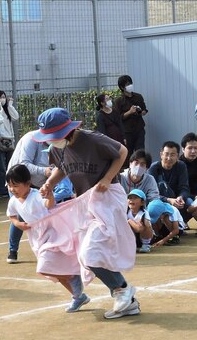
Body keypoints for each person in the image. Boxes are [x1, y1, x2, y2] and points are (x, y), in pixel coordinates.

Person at [38, 108, 140, 319]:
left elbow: (121, 151)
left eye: (55, 136)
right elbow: (62, 167)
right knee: (89, 254)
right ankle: (126, 299)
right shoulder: (59, 148)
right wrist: (49, 183)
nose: (52, 141)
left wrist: (107, 178)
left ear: (68, 132)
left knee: (90, 252)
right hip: (84, 202)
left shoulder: (92, 139)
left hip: (108, 197)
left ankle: (122, 290)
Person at [6, 164, 89, 312]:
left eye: (16, 185)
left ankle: (74, 280)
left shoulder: (36, 195)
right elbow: (11, 215)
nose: (12, 189)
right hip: (36, 238)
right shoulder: (13, 201)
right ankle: (78, 296)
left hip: (51, 234)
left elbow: (49, 205)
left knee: (45, 268)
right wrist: (18, 223)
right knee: (54, 270)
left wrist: (50, 195)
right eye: (10, 186)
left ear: (27, 183)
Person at [5, 130, 52, 264]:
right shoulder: (31, 139)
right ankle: (13, 250)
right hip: (19, 182)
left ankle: (47, 248)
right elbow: (24, 164)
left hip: (39, 184)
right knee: (20, 215)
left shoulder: (58, 142)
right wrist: (45, 171)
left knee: (43, 213)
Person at [148, 141, 191, 219]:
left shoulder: (181, 166)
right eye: (166, 154)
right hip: (160, 200)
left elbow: (184, 187)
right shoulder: (153, 168)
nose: (169, 158)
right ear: (161, 154)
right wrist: (168, 200)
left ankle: (181, 222)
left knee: (190, 203)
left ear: (177, 156)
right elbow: (151, 193)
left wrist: (181, 197)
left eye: (172, 155)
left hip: (177, 200)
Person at [114, 75, 147, 156]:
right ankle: (129, 168)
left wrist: (142, 112)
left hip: (139, 129)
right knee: (128, 153)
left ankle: (141, 167)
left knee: (140, 152)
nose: (130, 86)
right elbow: (118, 118)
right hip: (127, 131)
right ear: (122, 87)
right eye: (127, 84)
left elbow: (145, 109)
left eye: (130, 83)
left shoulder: (138, 97)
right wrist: (129, 112)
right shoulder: (119, 101)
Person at [0, 90, 19, 164]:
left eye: (4, 97)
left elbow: (15, 117)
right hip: (0, 140)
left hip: (9, 139)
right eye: (0, 97)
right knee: (1, 165)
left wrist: (10, 106)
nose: (2, 99)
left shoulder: (7, 109)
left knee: (9, 162)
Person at [126, 189, 153, 253]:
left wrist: (129, 221)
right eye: (130, 198)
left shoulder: (144, 213)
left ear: (142, 202)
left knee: (146, 224)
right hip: (132, 238)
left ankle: (146, 245)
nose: (131, 200)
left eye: (135, 198)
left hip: (144, 238)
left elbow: (139, 229)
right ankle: (131, 246)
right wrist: (130, 222)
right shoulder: (126, 212)